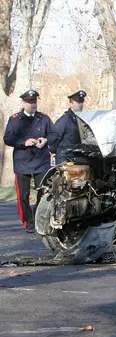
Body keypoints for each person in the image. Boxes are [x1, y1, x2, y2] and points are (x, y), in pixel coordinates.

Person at [3, 90, 54, 233]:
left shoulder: (44, 118)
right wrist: (23, 142)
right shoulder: (15, 119)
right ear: (23, 103)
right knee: (23, 196)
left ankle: (39, 218)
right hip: (22, 162)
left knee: (44, 192)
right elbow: (8, 139)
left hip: (41, 161)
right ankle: (28, 222)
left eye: (35, 102)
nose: (33, 104)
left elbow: (54, 134)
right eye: (30, 102)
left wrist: (45, 140)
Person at [50, 90, 86, 164]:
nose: (81, 104)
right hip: (65, 158)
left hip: (77, 157)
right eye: (78, 102)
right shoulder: (65, 120)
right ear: (70, 104)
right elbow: (54, 138)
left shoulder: (81, 119)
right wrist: (54, 151)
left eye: (82, 102)